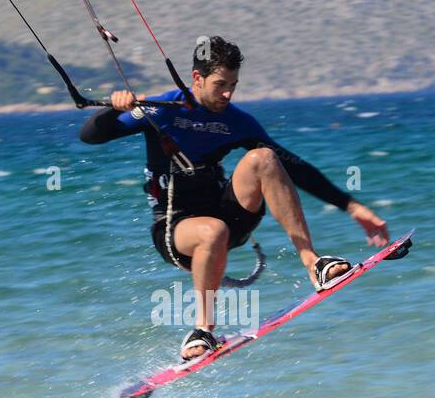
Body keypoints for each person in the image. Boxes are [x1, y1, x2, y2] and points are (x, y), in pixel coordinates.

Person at [79, 36, 389, 360]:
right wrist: (114, 110)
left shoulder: (236, 121)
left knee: (265, 158)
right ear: (197, 79)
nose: (228, 93)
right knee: (212, 230)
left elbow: (294, 166)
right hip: (176, 230)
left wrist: (351, 206)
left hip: (229, 217)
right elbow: (90, 136)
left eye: (233, 85)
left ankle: (313, 264)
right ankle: (203, 330)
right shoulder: (161, 111)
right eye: (220, 84)